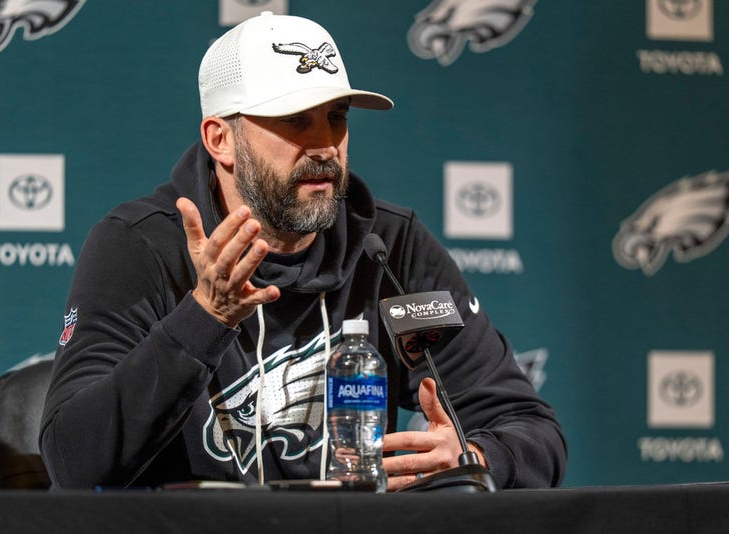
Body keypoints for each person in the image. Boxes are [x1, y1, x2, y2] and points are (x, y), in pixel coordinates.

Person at [40, 11, 566, 491]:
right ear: (220, 138)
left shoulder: (389, 249)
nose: (324, 145)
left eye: (336, 117)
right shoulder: (143, 247)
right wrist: (204, 317)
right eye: (295, 120)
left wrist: (474, 457)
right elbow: (72, 459)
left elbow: (530, 428)